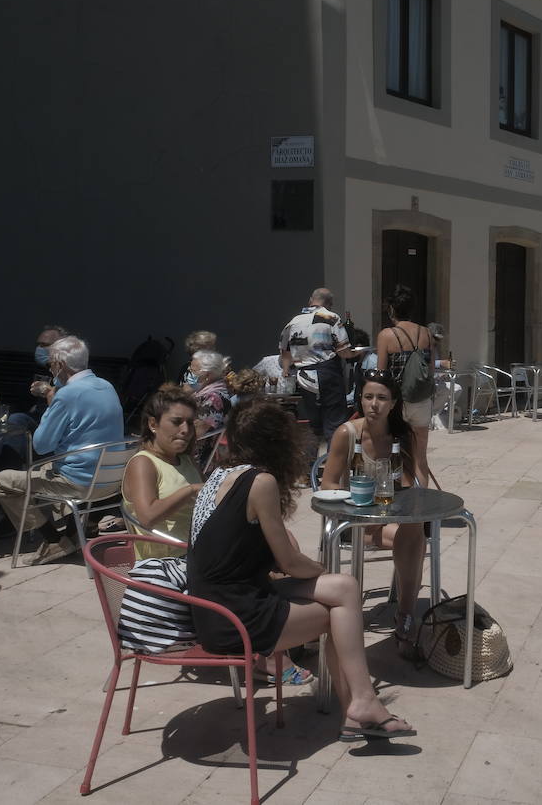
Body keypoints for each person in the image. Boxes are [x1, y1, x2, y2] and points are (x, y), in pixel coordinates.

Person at [187, 399, 415, 740]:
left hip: (216, 604)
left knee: (345, 587)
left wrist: (319, 574)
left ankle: (359, 707)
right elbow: (290, 563)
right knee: (339, 614)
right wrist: (318, 568)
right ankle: (361, 705)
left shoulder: (219, 475)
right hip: (233, 617)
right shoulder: (260, 482)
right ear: (278, 443)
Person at [0, 335, 125, 565]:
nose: (50, 368)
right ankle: (71, 536)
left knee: (1, 482)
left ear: (60, 365)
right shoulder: (106, 386)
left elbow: (41, 445)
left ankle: (53, 540)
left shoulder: (66, 395)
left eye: (51, 363)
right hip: (110, 478)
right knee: (53, 466)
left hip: (80, 482)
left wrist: (50, 405)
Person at [320, 370, 428, 658]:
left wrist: (413, 491)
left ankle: (405, 614)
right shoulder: (347, 434)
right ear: (360, 399)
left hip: (389, 518)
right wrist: (357, 501)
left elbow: (413, 482)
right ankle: (405, 618)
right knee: (415, 538)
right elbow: (328, 483)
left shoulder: (402, 435)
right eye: (368, 397)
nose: (374, 404)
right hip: (355, 520)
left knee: (415, 528)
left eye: (381, 398)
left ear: (393, 403)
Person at [121, 385, 202, 557]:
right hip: (166, 561)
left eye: (190, 423)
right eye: (176, 422)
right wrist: (190, 490)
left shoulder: (186, 460)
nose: (186, 430)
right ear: (153, 424)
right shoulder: (144, 463)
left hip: (196, 552)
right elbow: (147, 517)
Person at [375, 285, 438, 490]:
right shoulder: (426, 333)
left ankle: (400, 498)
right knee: (420, 457)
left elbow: (381, 374)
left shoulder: (386, 335)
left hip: (397, 402)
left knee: (394, 454)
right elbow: (430, 369)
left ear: (392, 309)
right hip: (421, 400)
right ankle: (421, 500)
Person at [283, 288, 354, 444]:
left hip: (304, 377)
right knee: (335, 423)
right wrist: (356, 354)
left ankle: (313, 457)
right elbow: (344, 352)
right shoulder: (331, 317)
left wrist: (286, 371)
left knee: (314, 425)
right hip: (327, 372)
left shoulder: (293, 322)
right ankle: (333, 456)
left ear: (310, 300)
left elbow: (285, 353)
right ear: (329, 303)